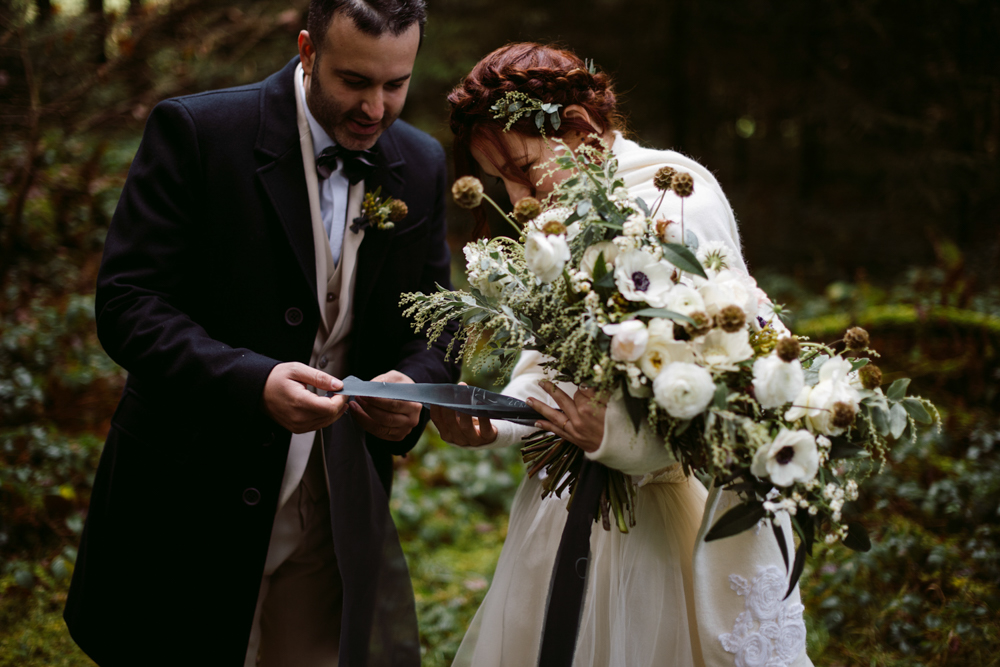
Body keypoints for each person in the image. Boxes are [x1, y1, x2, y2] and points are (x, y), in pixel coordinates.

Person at [63, 1, 459, 665]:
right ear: (307, 51)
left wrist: (416, 386)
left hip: (334, 504)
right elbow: (129, 303)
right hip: (192, 490)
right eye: (354, 82)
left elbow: (437, 320)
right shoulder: (199, 131)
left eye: (396, 85)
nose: (376, 108)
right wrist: (252, 380)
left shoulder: (420, 163)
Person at [432, 43, 814, 667]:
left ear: (582, 130)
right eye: (499, 178)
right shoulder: (554, 217)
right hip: (561, 508)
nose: (515, 192)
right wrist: (496, 421)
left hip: (657, 515)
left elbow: (726, 378)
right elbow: (548, 360)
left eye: (523, 166)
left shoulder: (677, 198)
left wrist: (616, 433)